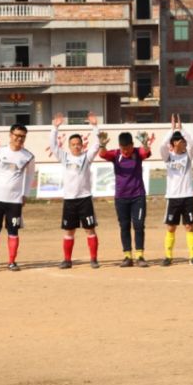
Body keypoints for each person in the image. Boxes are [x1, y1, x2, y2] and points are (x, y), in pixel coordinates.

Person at [0, 123, 35, 272]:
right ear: (10, 135)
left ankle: (11, 262)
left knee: (13, 231)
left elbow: (29, 177)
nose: (19, 139)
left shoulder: (28, 156)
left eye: (22, 136)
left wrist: (25, 194)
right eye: (16, 135)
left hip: (14, 201)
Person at [51, 113, 101, 269]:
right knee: (69, 231)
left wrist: (94, 127)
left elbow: (97, 144)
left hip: (85, 198)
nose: (76, 146)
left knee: (89, 230)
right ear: (69, 146)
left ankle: (93, 259)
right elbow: (53, 146)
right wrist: (55, 128)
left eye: (78, 144)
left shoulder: (87, 157)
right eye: (73, 144)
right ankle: (67, 260)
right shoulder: (64, 157)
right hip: (70, 200)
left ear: (82, 145)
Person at [99, 129, 153, 267]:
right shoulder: (116, 154)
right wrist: (102, 144)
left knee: (139, 225)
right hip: (121, 198)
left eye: (128, 147)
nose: (126, 151)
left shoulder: (137, 152)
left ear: (132, 145)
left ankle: (140, 255)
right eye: (123, 148)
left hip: (138, 196)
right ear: (120, 146)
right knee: (124, 226)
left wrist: (145, 143)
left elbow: (146, 152)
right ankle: (127, 256)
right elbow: (103, 154)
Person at [161, 114, 193, 267]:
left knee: (189, 226)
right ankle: (168, 256)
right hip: (173, 197)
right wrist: (171, 130)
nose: (183, 143)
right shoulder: (168, 157)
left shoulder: (188, 156)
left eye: (183, 141)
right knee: (171, 227)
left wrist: (181, 129)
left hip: (188, 196)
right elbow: (162, 146)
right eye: (179, 141)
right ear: (173, 143)